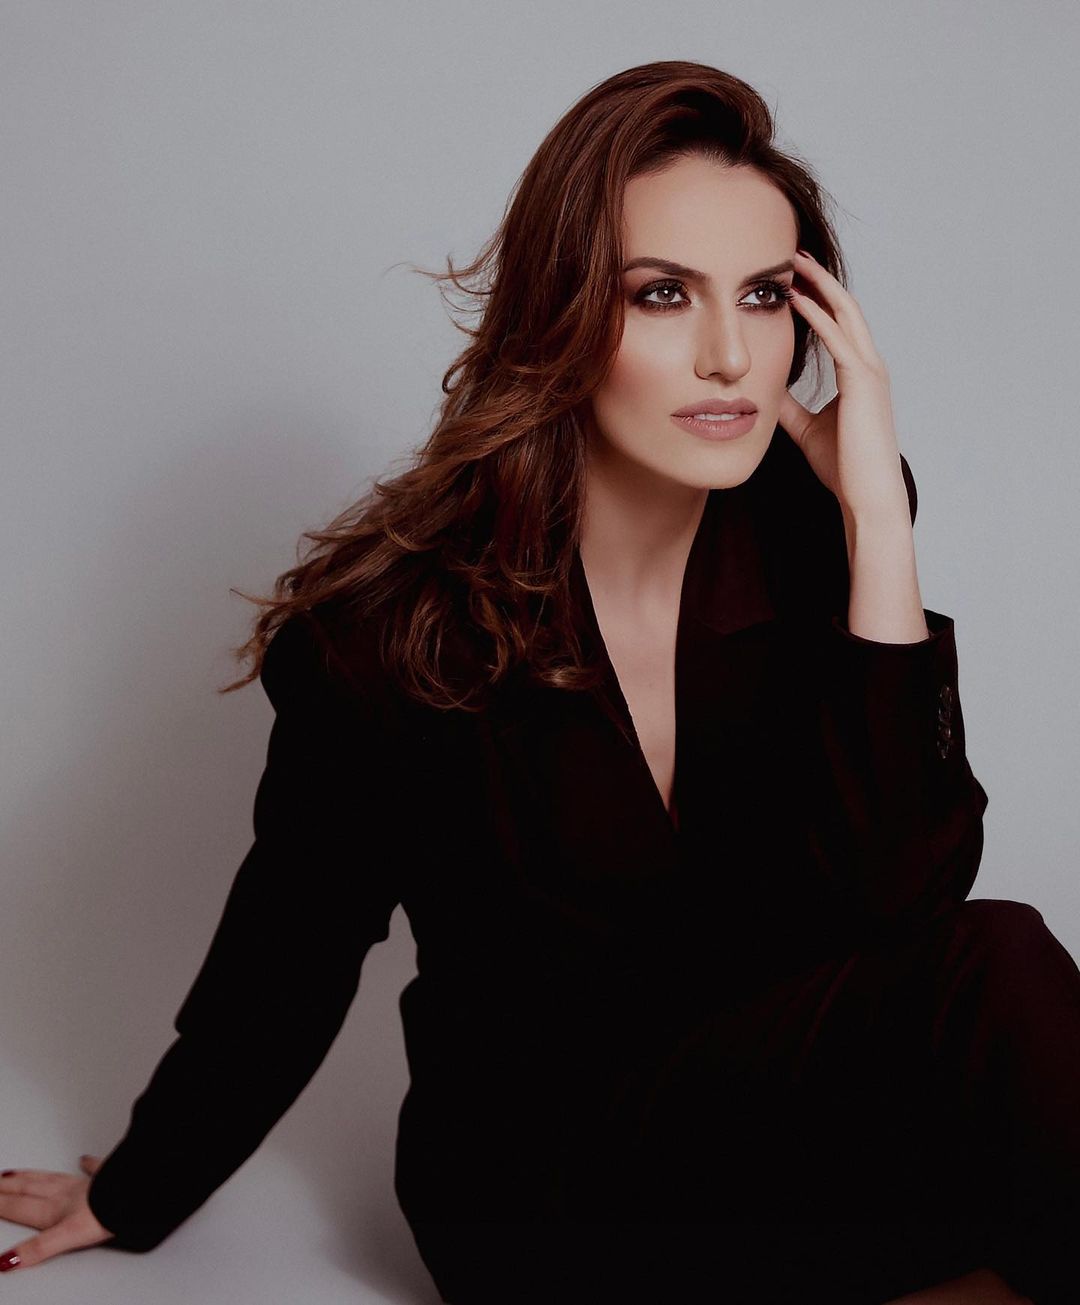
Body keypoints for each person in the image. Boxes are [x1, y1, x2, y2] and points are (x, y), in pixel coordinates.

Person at [0, 60, 1075, 1305]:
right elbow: (291, 953)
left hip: (771, 1126)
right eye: (663, 294)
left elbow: (905, 900)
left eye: (765, 295)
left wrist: (879, 525)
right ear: (559, 312)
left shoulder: (814, 530)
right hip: (549, 1188)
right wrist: (139, 1188)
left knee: (999, 973)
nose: (730, 355)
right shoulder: (392, 629)